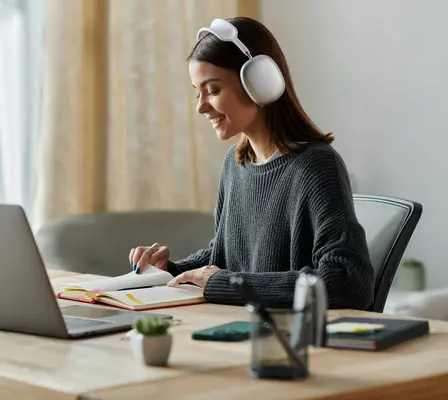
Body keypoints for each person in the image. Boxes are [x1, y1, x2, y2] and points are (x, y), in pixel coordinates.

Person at [128, 16, 375, 310]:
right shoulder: (235, 165)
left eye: (213, 90)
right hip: (239, 331)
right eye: (197, 92)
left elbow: (347, 281)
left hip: (289, 343)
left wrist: (225, 283)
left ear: (260, 83)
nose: (200, 106)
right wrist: (169, 271)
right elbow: (223, 258)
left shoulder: (317, 167)